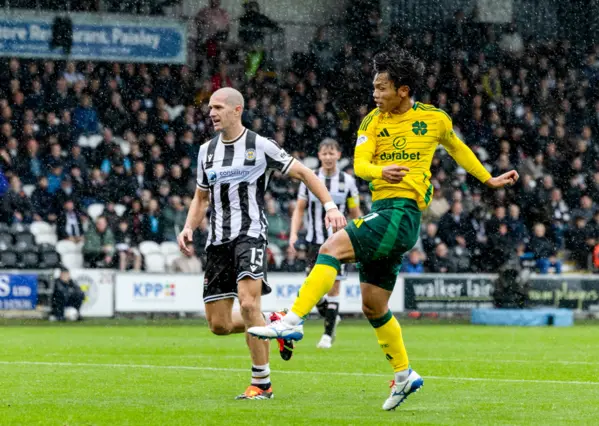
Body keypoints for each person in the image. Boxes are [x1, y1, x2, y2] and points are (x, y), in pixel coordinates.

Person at [249, 49, 519, 411]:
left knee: (332, 246)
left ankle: (293, 319)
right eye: (374, 87)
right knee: (373, 305)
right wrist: (381, 171)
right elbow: (360, 164)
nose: (374, 94)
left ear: (403, 90)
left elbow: (457, 148)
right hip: (385, 210)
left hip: (402, 213)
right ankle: (405, 374)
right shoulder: (371, 122)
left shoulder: (434, 119)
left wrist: (487, 178)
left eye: (382, 87)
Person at [176, 88, 345, 400]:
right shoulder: (205, 151)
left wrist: (331, 206)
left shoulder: (260, 145)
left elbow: (306, 173)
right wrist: (188, 226)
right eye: (210, 108)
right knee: (219, 325)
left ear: (237, 109)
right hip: (217, 242)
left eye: (217, 107)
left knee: (249, 303)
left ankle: (262, 384)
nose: (211, 113)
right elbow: (201, 197)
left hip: (250, 234)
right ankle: (275, 322)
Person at [288, 138, 362, 349]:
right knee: (312, 286)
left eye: (332, 153)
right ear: (319, 156)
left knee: (334, 287)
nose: (328, 157)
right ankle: (331, 315)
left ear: (339, 155)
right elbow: (300, 209)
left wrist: (359, 236)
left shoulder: (347, 181)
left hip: (338, 242)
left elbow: (355, 212)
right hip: (314, 241)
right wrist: (294, 233)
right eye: (324, 154)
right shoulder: (311, 178)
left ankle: (327, 336)